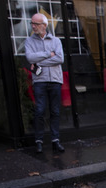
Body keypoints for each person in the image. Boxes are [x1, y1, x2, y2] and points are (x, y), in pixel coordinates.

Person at [24, 13, 65, 153]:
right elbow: (30, 58)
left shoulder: (56, 41)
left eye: (36, 24)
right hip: (39, 80)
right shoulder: (29, 41)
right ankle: (39, 140)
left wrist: (39, 60)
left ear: (44, 25)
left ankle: (55, 140)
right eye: (32, 24)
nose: (33, 26)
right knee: (40, 110)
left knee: (55, 111)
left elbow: (60, 59)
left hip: (55, 80)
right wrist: (48, 54)